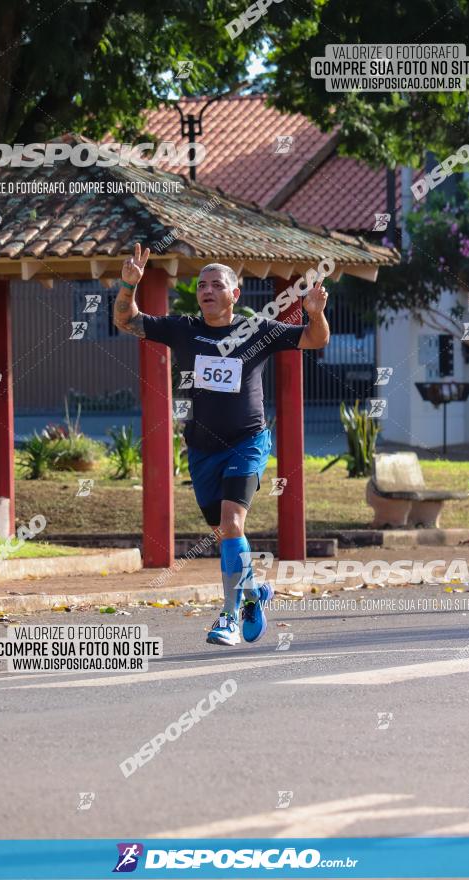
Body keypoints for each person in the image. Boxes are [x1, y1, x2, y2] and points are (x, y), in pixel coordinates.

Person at [114, 243, 330, 647]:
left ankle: (230, 616)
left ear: (235, 295)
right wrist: (128, 288)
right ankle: (253, 593)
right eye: (201, 285)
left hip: (247, 442)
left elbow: (314, 341)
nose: (207, 290)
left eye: (216, 284)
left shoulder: (258, 331)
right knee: (224, 533)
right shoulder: (182, 329)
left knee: (232, 524)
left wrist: (315, 314)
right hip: (201, 449)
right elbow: (128, 321)